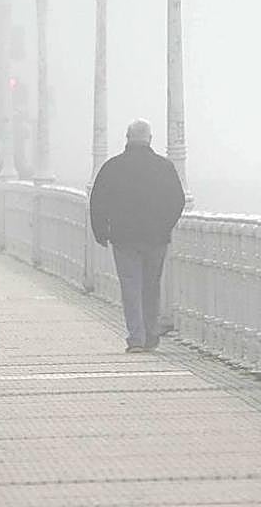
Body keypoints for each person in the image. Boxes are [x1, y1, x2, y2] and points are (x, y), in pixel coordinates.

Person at [88, 118, 186, 353]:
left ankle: (136, 337)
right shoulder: (164, 167)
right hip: (156, 238)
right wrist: (165, 226)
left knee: (131, 286)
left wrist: (101, 231)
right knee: (151, 287)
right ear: (150, 139)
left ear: (127, 138)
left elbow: (98, 201)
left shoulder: (113, 167)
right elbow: (178, 200)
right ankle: (151, 334)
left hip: (124, 238)